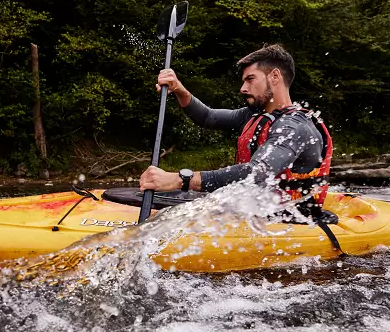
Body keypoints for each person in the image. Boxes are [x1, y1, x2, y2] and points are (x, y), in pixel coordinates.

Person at [139, 44, 333, 219]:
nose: (243, 88)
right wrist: (179, 90)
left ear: (275, 76)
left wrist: (181, 179)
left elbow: (257, 172)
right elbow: (208, 116)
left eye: (250, 79)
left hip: (291, 221)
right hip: (256, 213)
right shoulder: (256, 114)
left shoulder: (294, 126)